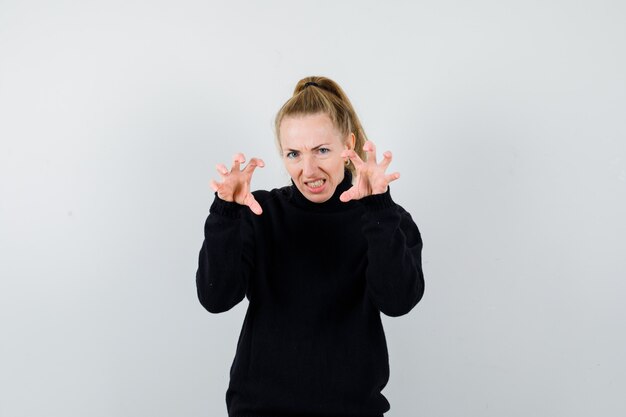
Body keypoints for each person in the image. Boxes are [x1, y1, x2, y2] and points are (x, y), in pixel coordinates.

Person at [196, 76, 425, 417]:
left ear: (348, 146)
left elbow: (398, 301)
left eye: (322, 150)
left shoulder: (383, 218)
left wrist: (379, 210)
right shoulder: (260, 213)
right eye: (293, 154)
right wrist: (226, 212)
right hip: (260, 409)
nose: (308, 170)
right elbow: (216, 298)